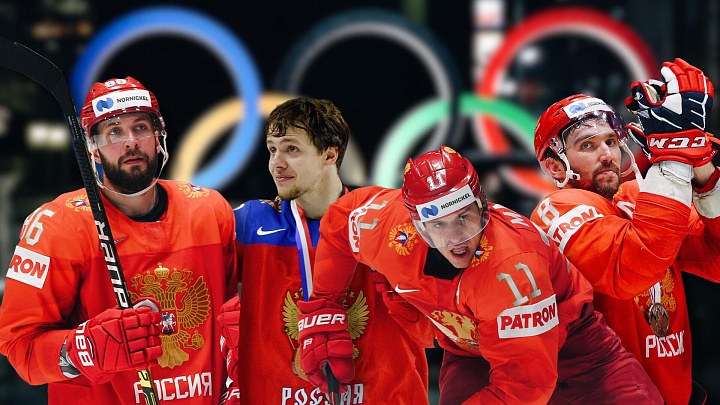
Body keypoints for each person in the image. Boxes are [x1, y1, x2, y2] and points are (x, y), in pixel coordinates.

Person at [296, 145, 663, 404]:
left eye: (464, 217)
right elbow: (340, 221)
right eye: (439, 224)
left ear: (482, 206)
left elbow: (527, 386)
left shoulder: (512, 267)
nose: (457, 236)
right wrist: (324, 308)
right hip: (473, 355)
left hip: (580, 355)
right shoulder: (384, 226)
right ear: (416, 224)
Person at [0, 77, 238, 404]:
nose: (131, 142)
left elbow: (234, 320)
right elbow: (20, 348)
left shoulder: (210, 211)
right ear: (93, 148)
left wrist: (241, 380)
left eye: (141, 128)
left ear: (159, 137)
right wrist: (82, 349)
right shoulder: (58, 226)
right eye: (114, 131)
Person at [217, 97, 434, 404]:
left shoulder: (382, 221)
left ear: (330, 154)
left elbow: (439, 319)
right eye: (272, 149)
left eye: (292, 149)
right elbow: (186, 264)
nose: (277, 163)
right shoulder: (251, 224)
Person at [529, 59, 720, 405]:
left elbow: (716, 257)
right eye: (587, 146)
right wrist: (673, 157)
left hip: (674, 393)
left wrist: (700, 164)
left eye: (611, 141)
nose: (607, 154)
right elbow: (631, 267)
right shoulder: (556, 211)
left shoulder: (638, 196)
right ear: (555, 166)